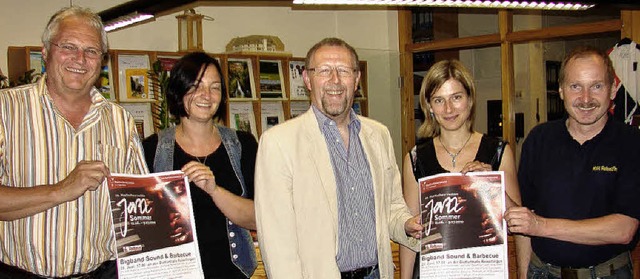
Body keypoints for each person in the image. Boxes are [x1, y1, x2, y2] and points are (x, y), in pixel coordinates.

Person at [254, 37, 422, 279]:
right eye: (323, 70)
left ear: (357, 80)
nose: (335, 80)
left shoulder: (379, 135)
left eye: (343, 70)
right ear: (307, 80)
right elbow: (276, 239)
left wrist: (408, 224)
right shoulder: (279, 142)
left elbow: (392, 206)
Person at [0, 6, 148, 278]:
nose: (80, 59)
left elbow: (138, 213)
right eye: (68, 46)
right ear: (45, 52)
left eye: (91, 51)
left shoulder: (120, 121)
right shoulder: (6, 110)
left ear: (102, 61)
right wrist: (61, 190)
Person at [505, 46, 640, 279]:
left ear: (613, 89)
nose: (585, 99)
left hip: (607, 275)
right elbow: (524, 220)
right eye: (575, 86)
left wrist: (540, 226)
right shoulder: (539, 139)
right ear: (561, 91)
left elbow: (624, 230)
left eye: (596, 86)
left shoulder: (632, 143)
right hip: (542, 273)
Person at [399, 59, 525, 279]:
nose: (448, 109)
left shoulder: (498, 152)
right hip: (433, 272)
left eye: (456, 97)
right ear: (429, 106)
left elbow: (518, 224)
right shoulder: (416, 158)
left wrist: (492, 187)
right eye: (439, 100)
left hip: (482, 271)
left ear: (470, 99)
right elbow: (412, 233)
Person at [142, 51, 258, 279]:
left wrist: (214, 190)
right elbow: (142, 226)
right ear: (178, 90)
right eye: (196, 86)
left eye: (215, 87)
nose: (207, 95)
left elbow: (258, 217)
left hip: (234, 273)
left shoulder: (242, 145)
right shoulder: (152, 149)